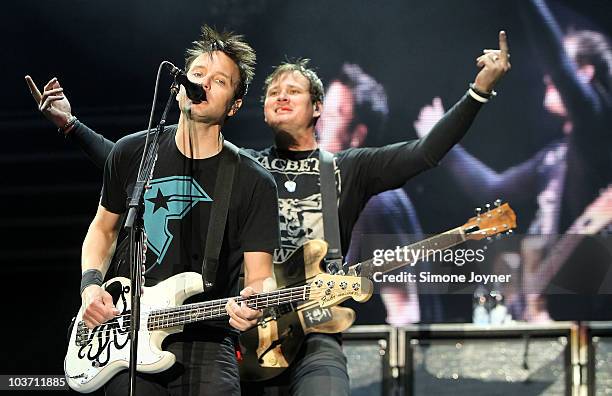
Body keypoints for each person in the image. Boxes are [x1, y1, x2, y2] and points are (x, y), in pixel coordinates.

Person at [28, 31, 510, 395]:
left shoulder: (347, 170)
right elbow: (139, 172)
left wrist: (478, 92)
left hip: (308, 326)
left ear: (319, 108)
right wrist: (72, 127)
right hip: (236, 329)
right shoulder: (245, 167)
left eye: (293, 90)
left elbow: (424, 153)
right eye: (272, 90)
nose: (279, 95)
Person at [28, 25, 280, 395]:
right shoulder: (132, 152)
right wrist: (90, 288)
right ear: (179, 85)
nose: (204, 84)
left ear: (234, 105)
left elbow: (260, 276)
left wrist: (255, 302)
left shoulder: (253, 180)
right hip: (125, 336)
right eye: (197, 75)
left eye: (219, 81)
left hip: (207, 339)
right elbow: (103, 230)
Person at [413, 0, 612, 321]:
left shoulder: (596, 133)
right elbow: (492, 188)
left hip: (587, 310)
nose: (549, 75)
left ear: (586, 73)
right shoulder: (555, 156)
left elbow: (558, 64)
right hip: (548, 308)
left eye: (560, 70)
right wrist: (445, 143)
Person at [316, 63, 444, 325]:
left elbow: (405, 313)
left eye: (335, 114)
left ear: (357, 135)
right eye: (322, 110)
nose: (319, 123)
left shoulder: (374, 201)